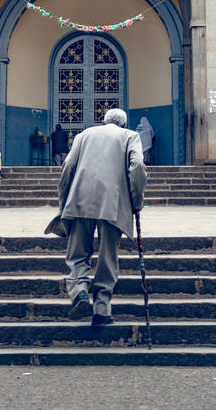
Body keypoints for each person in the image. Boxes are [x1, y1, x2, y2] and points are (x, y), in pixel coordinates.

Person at [58, 107, 147, 327]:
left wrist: (64, 202)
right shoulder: (130, 136)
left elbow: (67, 167)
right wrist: (137, 201)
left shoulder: (84, 135)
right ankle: (101, 307)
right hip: (113, 202)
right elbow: (137, 166)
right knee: (108, 257)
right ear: (124, 124)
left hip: (80, 198)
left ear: (103, 121)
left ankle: (79, 290)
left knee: (77, 254)